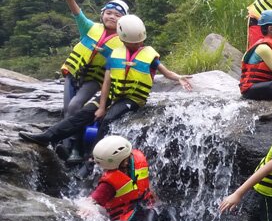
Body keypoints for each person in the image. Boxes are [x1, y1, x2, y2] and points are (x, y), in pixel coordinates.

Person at [20, 15, 192, 151]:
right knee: (84, 113)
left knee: (108, 119)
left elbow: (166, 71)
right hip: (112, 96)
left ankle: (93, 158)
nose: (136, 45)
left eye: (139, 42)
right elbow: (107, 83)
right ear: (123, 40)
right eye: (132, 43)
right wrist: (101, 106)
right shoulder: (115, 54)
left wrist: (178, 78)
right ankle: (48, 136)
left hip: (132, 100)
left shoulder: (149, 55)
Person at [89, 135, 213, 221]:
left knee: (170, 210)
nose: (128, 160)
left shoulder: (136, 160)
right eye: (124, 160)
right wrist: (86, 209)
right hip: (126, 219)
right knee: (150, 213)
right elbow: (92, 201)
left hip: (144, 211)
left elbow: (145, 186)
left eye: (127, 158)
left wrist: (155, 199)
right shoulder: (107, 184)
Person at [56, 0, 128, 161]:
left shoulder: (122, 42)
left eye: (117, 15)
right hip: (73, 74)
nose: (112, 17)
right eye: (109, 13)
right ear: (102, 14)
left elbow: (117, 64)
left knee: (74, 106)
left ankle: (77, 149)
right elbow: (77, 13)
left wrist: (104, 52)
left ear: (123, 21)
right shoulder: (89, 28)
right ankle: (66, 147)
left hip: (94, 80)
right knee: (68, 109)